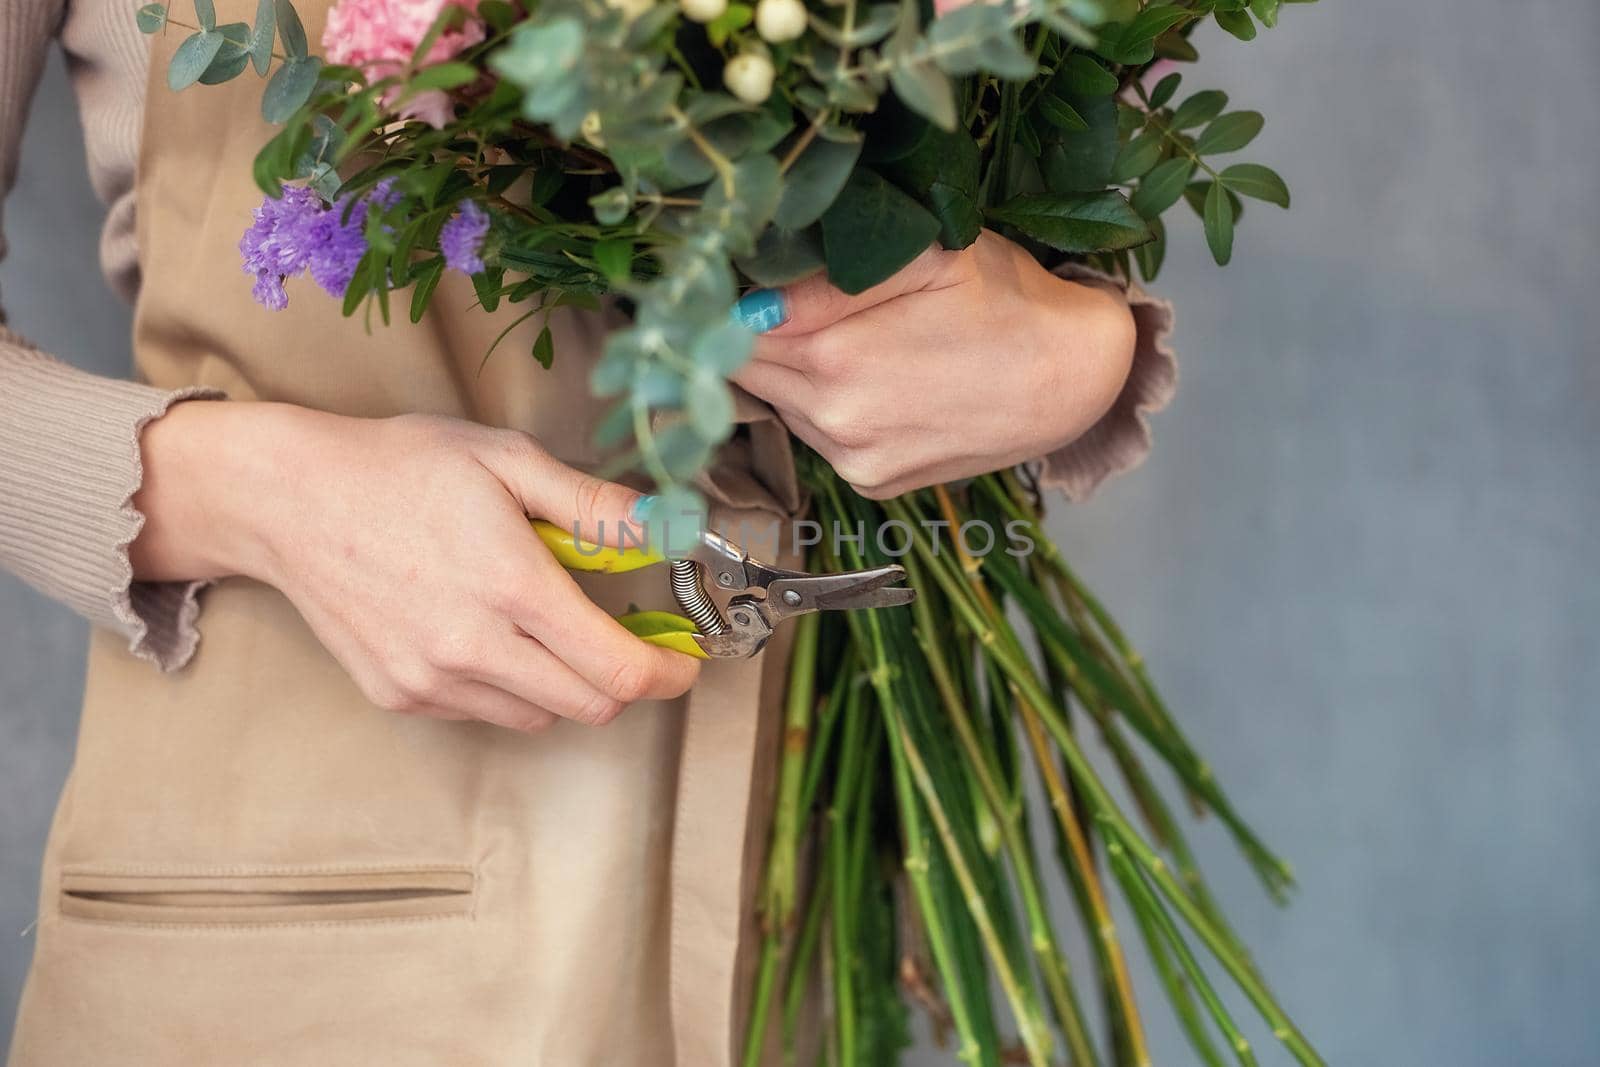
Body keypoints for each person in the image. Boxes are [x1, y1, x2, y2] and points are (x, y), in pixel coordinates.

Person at [0, 1, 1174, 1063]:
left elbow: (1032, 145)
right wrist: (267, 496)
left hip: (800, 880)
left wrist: (1077, 352)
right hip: (295, 945)